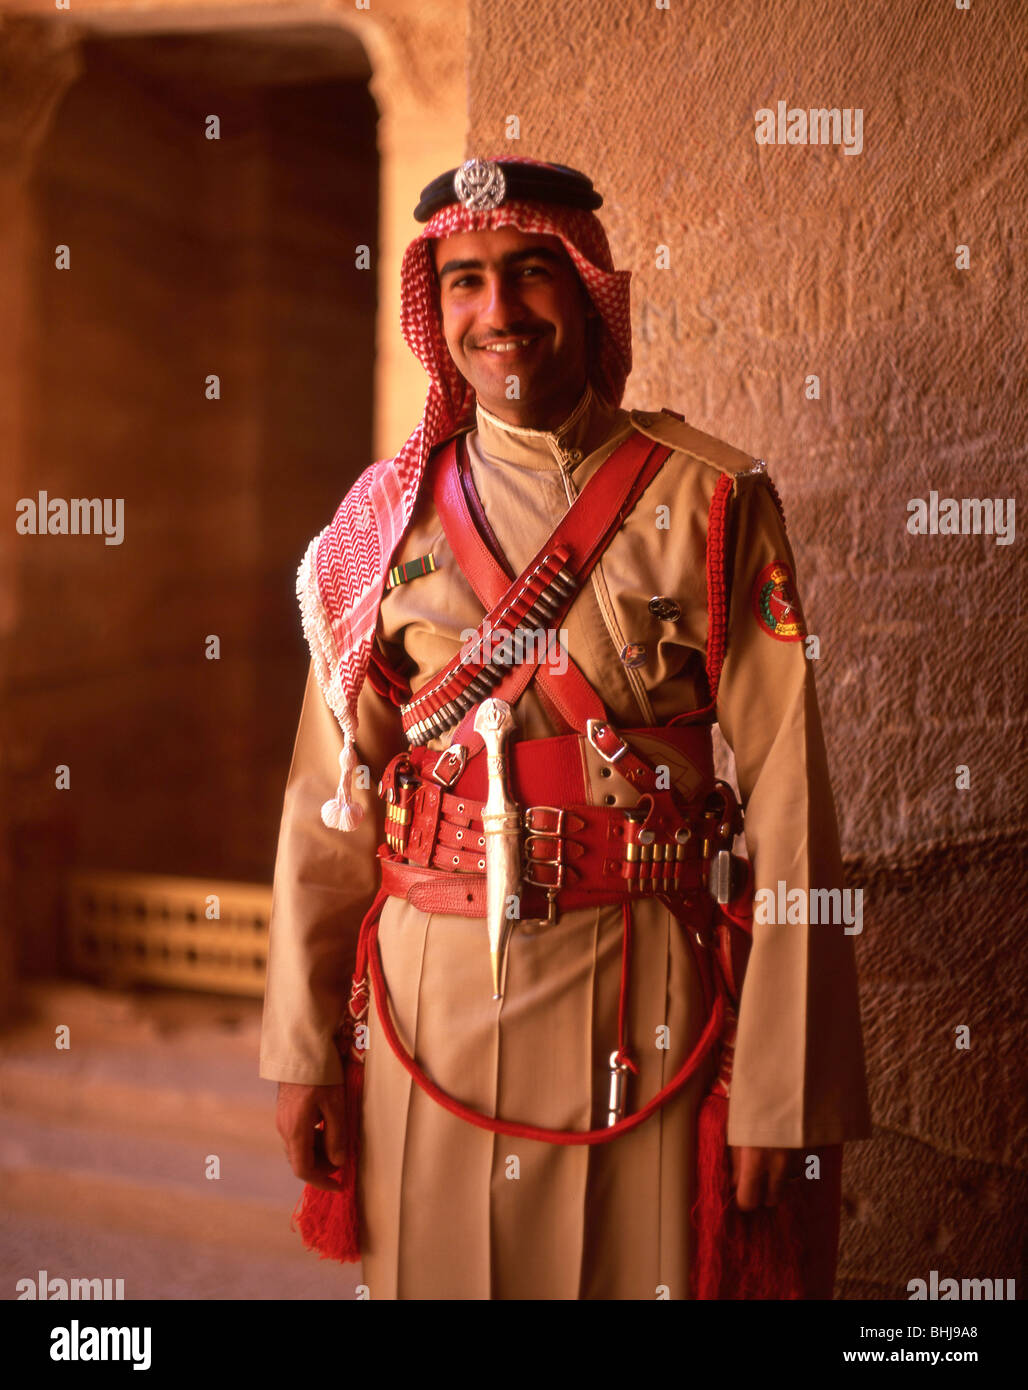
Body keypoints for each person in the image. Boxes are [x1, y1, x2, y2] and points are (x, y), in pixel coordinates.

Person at [259, 155, 872, 1300]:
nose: (497, 313)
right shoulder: (375, 524)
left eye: (529, 272)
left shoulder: (713, 497)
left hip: (644, 1000)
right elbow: (329, 798)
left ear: (586, 291)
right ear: (433, 312)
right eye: (464, 282)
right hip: (420, 1009)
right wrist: (302, 1050)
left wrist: (781, 1090)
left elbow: (789, 805)